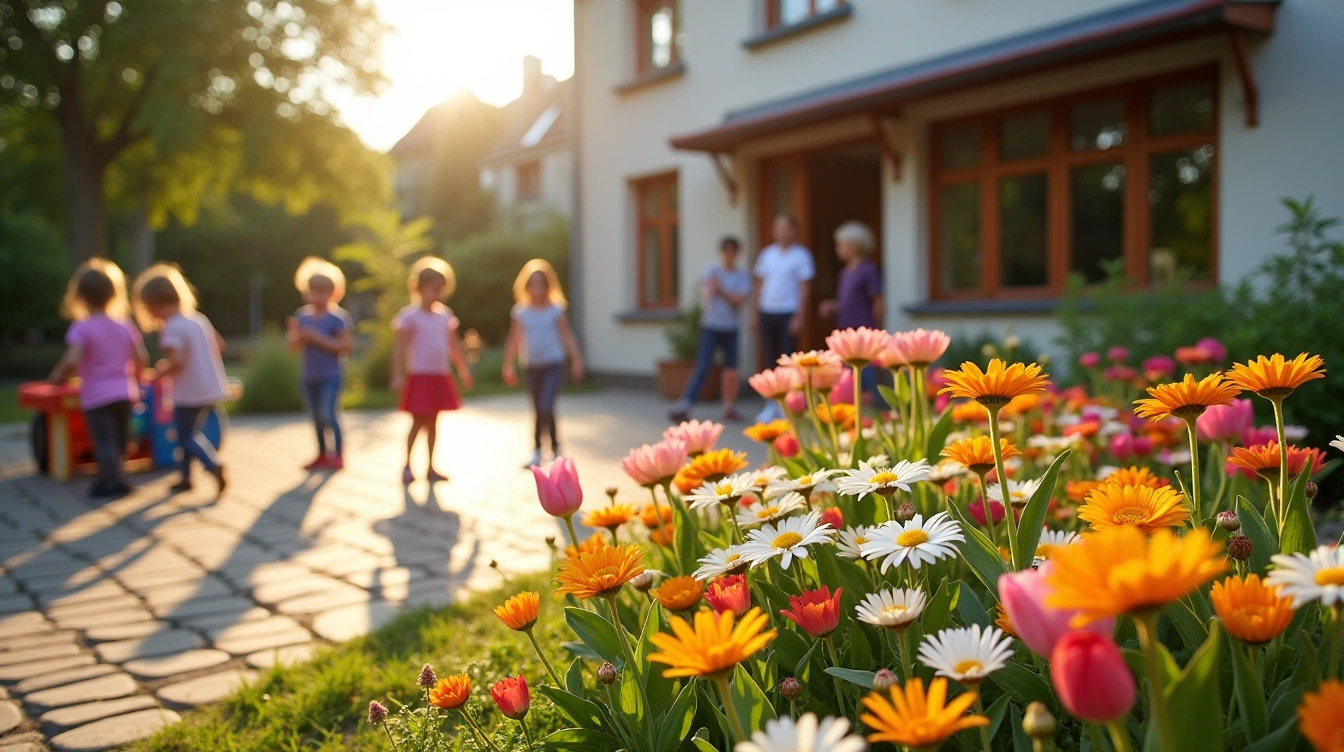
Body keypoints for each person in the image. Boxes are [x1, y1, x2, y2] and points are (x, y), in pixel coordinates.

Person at [49, 259, 148, 498]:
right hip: (125, 392)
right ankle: (120, 477)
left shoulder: (82, 327)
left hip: (97, 395)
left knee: (105, 441)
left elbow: (72, 360)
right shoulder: (124, 325)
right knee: (121, 439)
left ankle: (110, 480)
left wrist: (57, 376)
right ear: (114, 293)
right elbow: (141, 358)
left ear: (80, 296)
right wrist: (138, 379)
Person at [133, 263, 230, 496]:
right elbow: (219, 345)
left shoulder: (172, 327)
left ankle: (212, 464)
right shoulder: (197, 319)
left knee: (185, 435)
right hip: (209, 387)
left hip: (188, 392)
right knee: (189, 431)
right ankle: (185, 477)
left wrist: (157, 374)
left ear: (153, 305)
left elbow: (177, 361)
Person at [392, 256, 474, 484]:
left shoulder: (445, 316)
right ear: (418, 288)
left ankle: (431, 467)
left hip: (440, 375)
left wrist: (463, 370)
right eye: (433, 289)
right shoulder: (409, 316)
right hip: (420, 376)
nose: (437, 294)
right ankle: (408, 465)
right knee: (418, 422)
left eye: (441, 289)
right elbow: (399, 348)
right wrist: (397, 374)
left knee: (434, 423)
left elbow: (453, 346)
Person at [501, 259, 585, 468]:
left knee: (547, 405)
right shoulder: (521, 311)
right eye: (533, 284)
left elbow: (567, 336)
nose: (537, 288)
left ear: (548, 286)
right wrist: (508, 364)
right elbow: (514, 339)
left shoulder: (556, 310)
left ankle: (555, 449)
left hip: (553, 365)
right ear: (526, 286)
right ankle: (538, 451)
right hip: (531, 366)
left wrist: (576, 360)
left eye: (541, 284)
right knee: (539, 409)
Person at [669, 236, 751, 423]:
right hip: (711, 326)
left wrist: (720, 289)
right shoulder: (711, 270)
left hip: (730, 328)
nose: (729, 255)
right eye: (726, 251)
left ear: (737, 254)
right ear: (721, 253)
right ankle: (684, 406)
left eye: (733, 251)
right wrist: (714, 290)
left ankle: (729, 408)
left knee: (731, 370)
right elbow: (705, 291)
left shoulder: (741, 276)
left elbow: (738, 302)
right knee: (703, 365)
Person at [288, 257, 354, 471]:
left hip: (331, 376)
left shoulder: (337, 318)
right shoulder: (302, 317)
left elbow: (344, 346)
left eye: (322, 291)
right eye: (313, 290)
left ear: (333, 292)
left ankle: (339, 453)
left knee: (329, 413)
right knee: (315, 417)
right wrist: (296, 336)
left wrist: (316, 337)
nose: (317, 295)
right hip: (309, 376)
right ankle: (322, 454)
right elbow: (294, 348)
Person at [752, 214, 815, 421]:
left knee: (788, 360)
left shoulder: (802, 255)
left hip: (788, 311)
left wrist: (800, 316)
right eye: (777, 227)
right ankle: (771, 404)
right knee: (770, 358)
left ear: (794, 231)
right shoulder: (767, 254)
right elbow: (759, 284)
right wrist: (754, 313)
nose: (781, 231)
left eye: (786, 227)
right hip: (767, 310)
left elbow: (804, 288)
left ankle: (789, 404)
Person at [819, 221, 884, 394]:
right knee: (848, 377)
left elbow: (878, 301)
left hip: (864, 334)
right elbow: (847, 301)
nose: (837, 249)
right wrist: (833, 306)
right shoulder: (844, 272)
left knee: (867, 376)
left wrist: (877, 330)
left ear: (853, 246)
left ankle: (872, 411)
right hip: (846, 333)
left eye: (840, 245)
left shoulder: (868, 270)